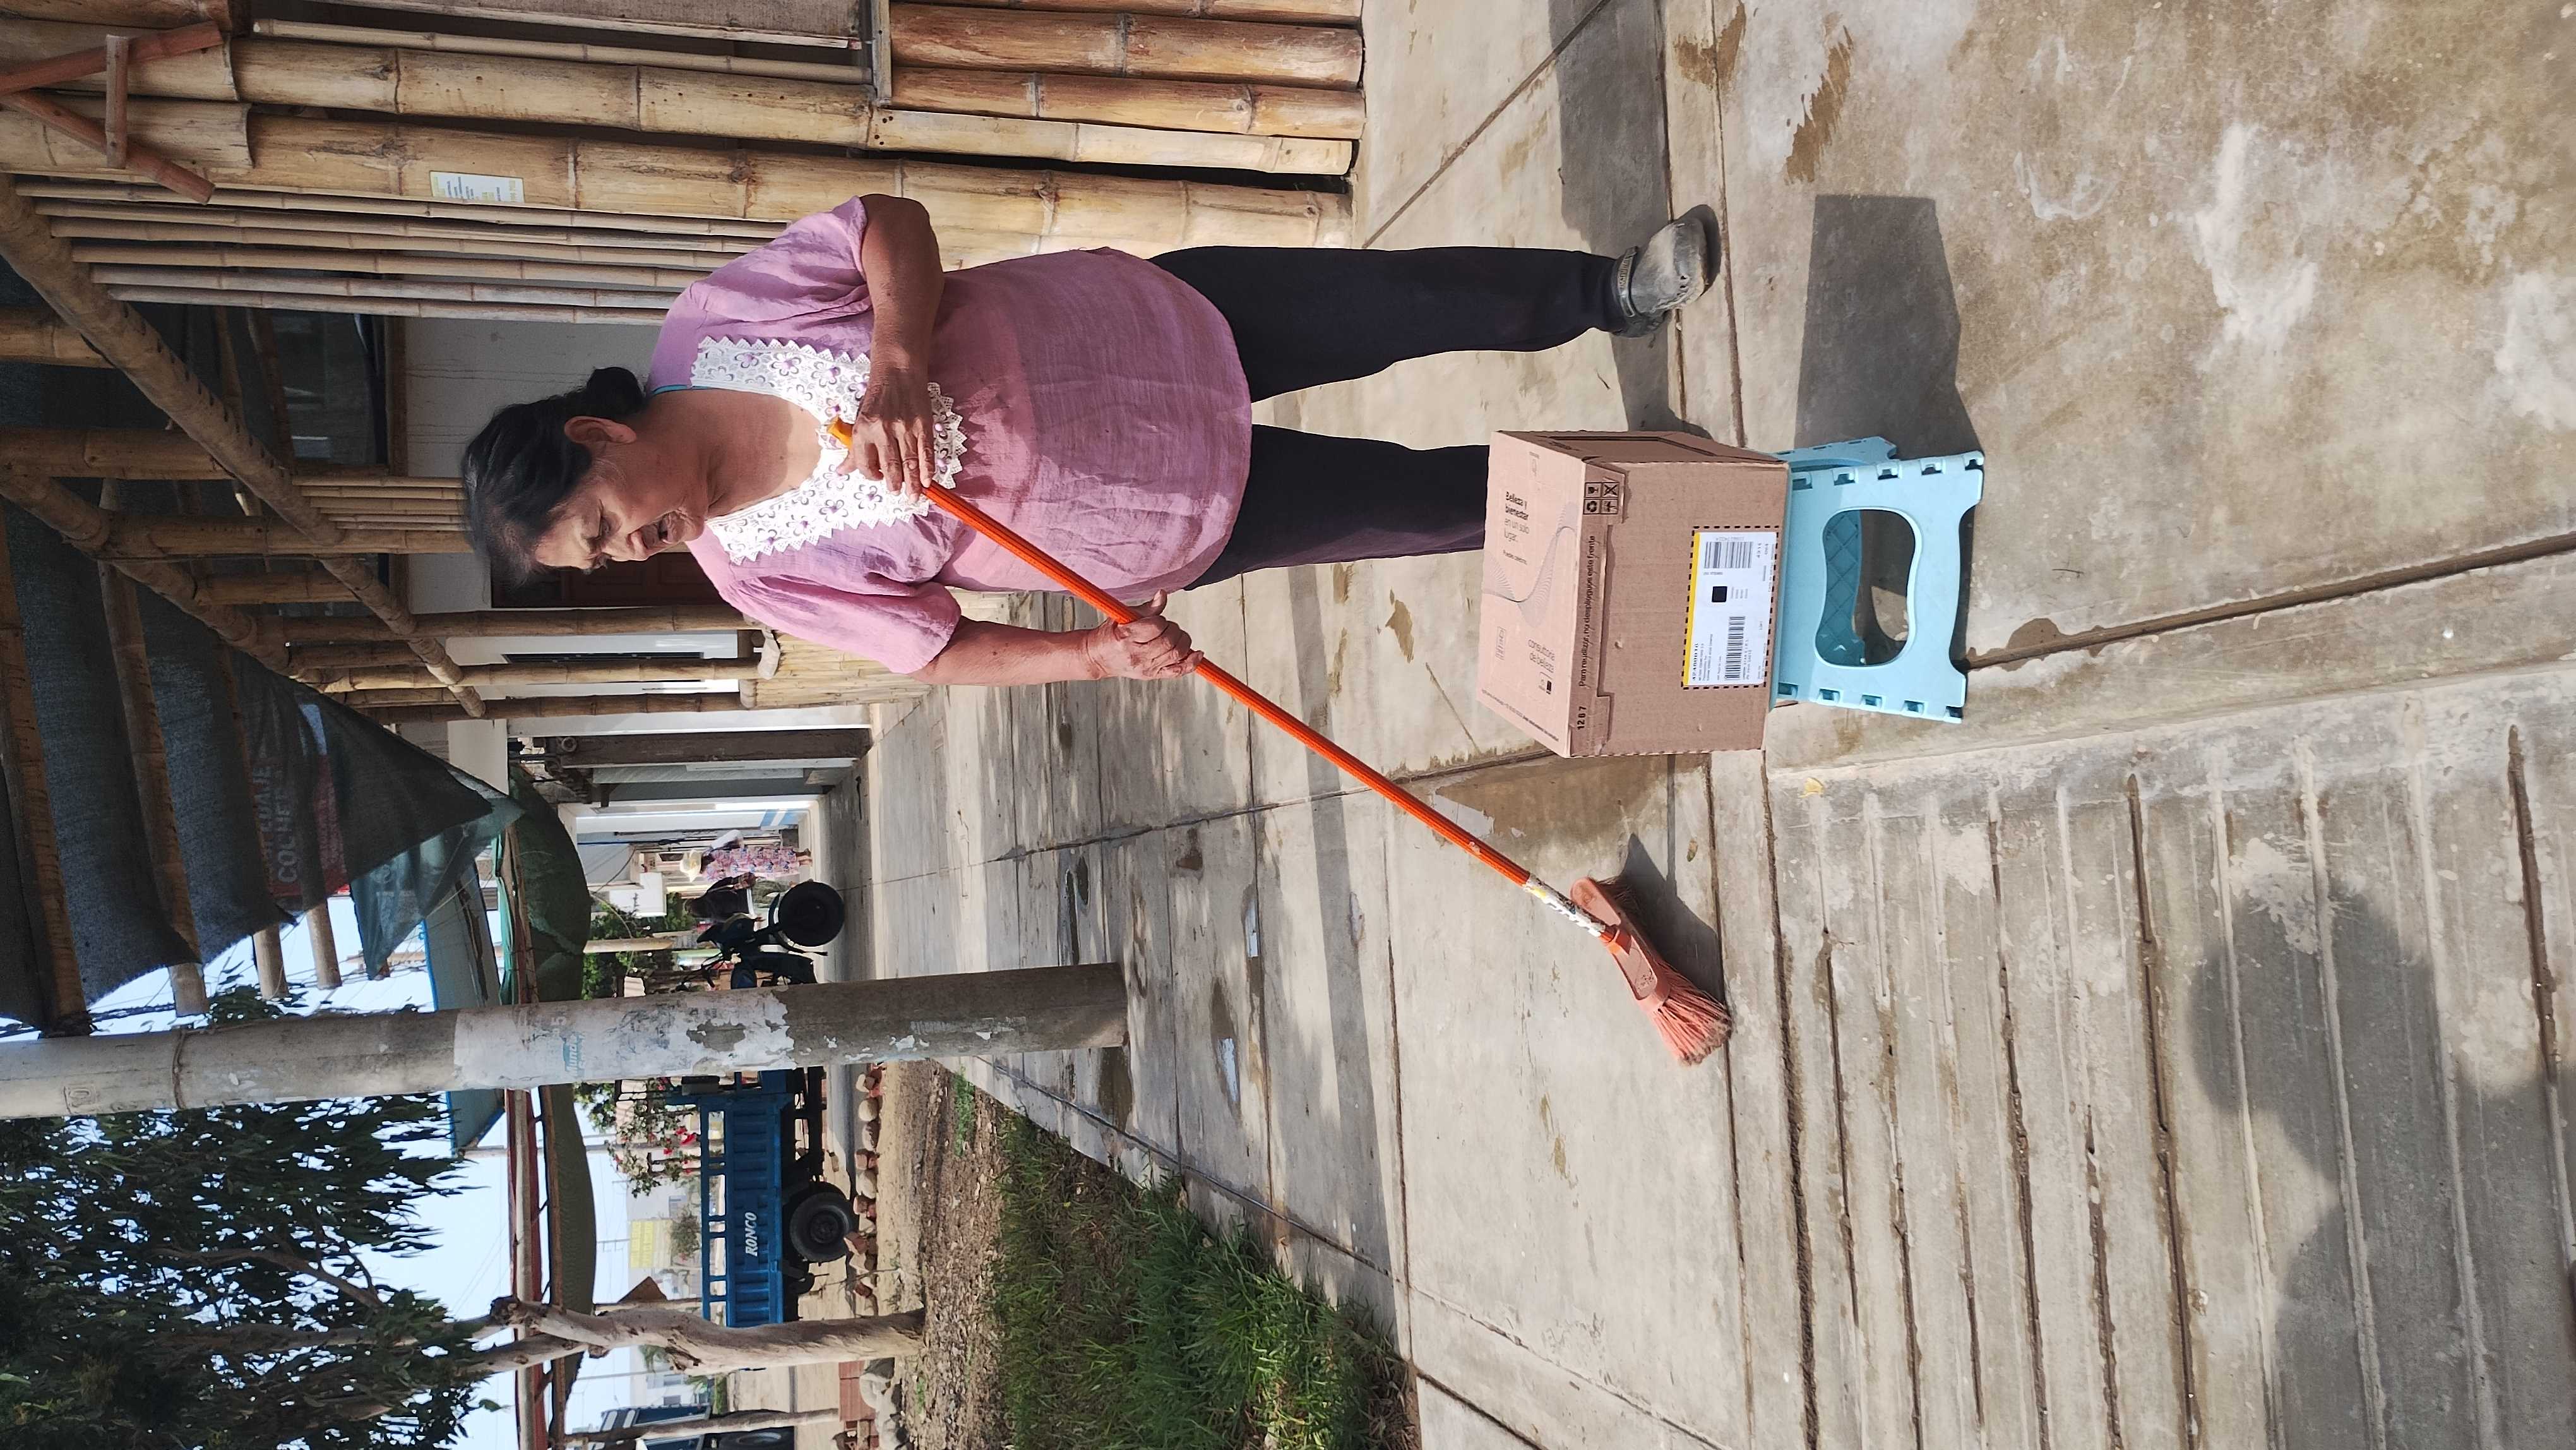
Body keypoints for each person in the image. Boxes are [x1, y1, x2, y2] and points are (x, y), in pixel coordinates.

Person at [461, 196, 1715, 686]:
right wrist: (1096, 656)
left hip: (1136, 326)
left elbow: (886, 225)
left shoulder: (715, 326)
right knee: (1423, 508)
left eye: (600, 525)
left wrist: (897, 363)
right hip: (1152, 515)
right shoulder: (754, 574)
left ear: (597, 434)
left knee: (1401, 304)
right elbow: (935, 647)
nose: (629, 550)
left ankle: (1608, 291)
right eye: (602, 562)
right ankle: (1643, 486)